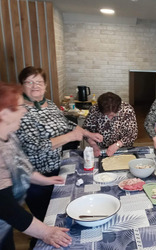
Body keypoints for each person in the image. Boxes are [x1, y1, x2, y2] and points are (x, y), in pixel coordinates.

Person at [16, 66, 103, 224]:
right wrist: (69, 137)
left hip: (58, 168)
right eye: (29, 82)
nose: (35, 86)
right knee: (45, 219)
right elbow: (35, 148)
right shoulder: (19, 110)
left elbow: (67, 124)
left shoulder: (48, 104)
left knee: (60, 212)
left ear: (45, 85)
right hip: (36, 176)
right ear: (22, 85)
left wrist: (88, 134)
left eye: (39, 82)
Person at [0, 82, 72, 249]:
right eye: (19, 106)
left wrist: (42, 180)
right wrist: (45, 232)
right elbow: (5, 206)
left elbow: (19, 165)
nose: (25, 110)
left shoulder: (8, 134)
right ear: (3, 113)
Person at [83, 92, 138, 157]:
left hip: (123, 148)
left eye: (113, 115)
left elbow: (133, 134)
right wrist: (94, 145)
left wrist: (117, 145)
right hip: (101, 149)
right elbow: (85, 131)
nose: (110, 118)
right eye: (107, 115)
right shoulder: (94, 110)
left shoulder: (127, 110)